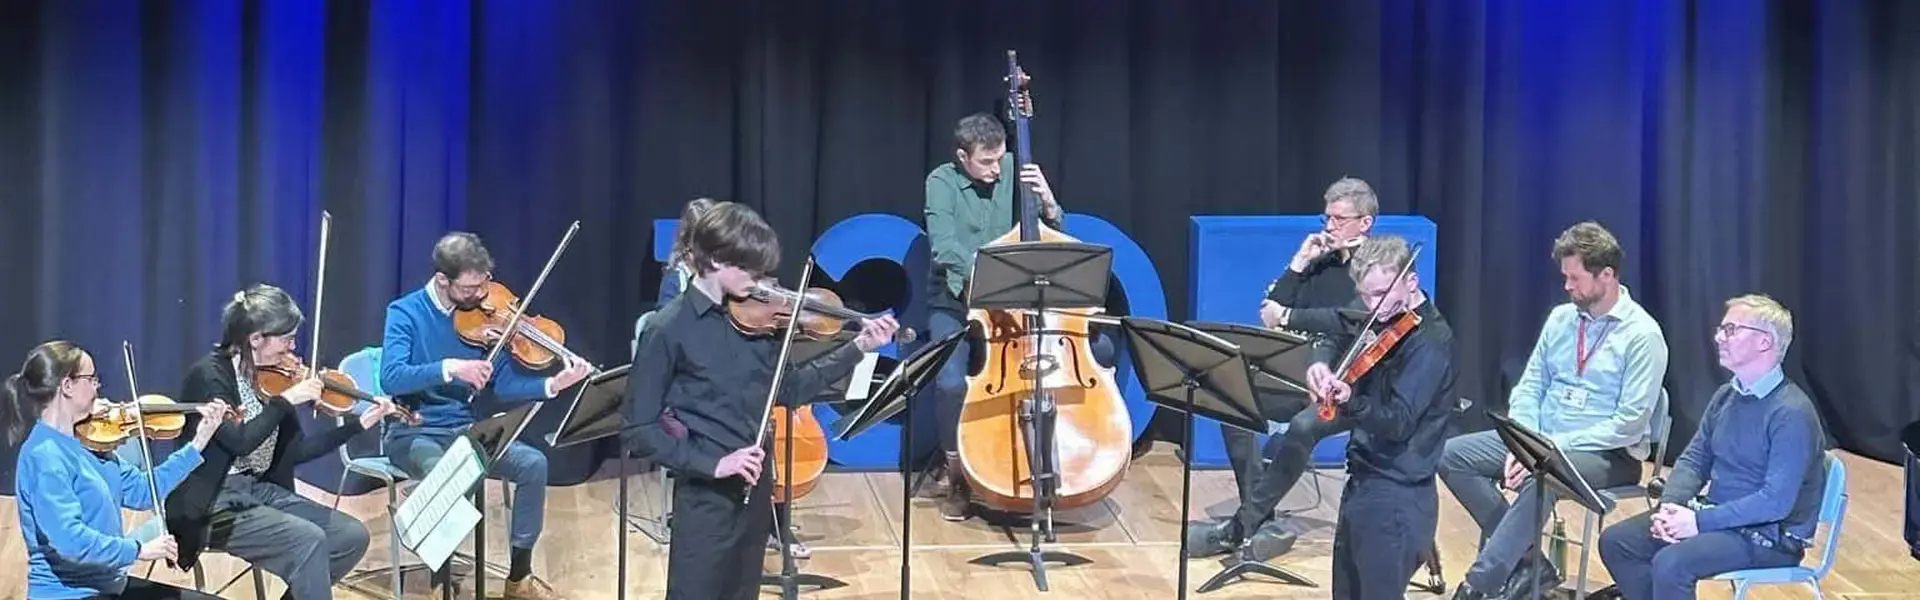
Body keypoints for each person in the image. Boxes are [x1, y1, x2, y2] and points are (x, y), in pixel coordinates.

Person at [621, 200, 899, 599]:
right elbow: (638, 429)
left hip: (756, 485)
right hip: (705, 496)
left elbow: (791, 389)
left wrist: (858, 346)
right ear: (716, 260)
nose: (761, 280)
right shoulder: (668, 329)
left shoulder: (754, 321)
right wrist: (714, 464)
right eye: (750, 268)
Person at [1442, 221, 1669, 599]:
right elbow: (1531, 385)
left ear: (1607, 275)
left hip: (1606, 454)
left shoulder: (1643, 335)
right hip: (1543, 441)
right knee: (1452, 456)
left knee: (1543, 475)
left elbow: (1629, 424)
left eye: (1575, 278)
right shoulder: (1561, 319)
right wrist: (1525, 440)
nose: (1567, 286)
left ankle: (1478, 585)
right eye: (1565, 277)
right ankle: (1530, 561)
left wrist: (1549, 447)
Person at [919, 110, 1121, 521]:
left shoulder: (1015, 167)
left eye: (1000, 159)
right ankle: (957, 472)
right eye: (986, 162)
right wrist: (991, 279)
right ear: (963, 157)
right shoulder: (940, 183)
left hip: (1021, 305)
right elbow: (944, 249)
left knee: (1100, 348)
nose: (997, 169)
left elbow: (1055, 227)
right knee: (950, 381)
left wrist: (1046, 198)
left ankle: (1054, 455)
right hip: (958, 303)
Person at [380, 232, 593, 600]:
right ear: (443, 280)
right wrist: (450, 368)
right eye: (470, 288)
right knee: (444, 474)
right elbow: (391, 376)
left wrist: (552, 384)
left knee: (533, 464)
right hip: (414, 431)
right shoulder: (405, 313)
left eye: (485, 284)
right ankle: (439, 580)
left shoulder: (484, 315)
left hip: (466, 430)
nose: (481, 296)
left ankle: (519, 577)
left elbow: (505, 384)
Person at [1186, 176, 1383, 561]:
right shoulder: (1321, 262)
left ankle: (1242, 525)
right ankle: (1259, 519)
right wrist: (1299, 261)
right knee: (1233, 402)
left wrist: (1292, 315)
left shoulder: (1376, 267)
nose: (1330, 226)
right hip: (1303, 374)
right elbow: (1270, 312)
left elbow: (1348, 318)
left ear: (1365, 222)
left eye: (1339, 219)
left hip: (1349, 385)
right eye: (1327, 217)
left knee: (1303, 426)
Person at [163, 285, 398, 599]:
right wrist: (285, 401)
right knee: (308, 540)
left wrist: (357, 425)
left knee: (350, 536)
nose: (292, 348)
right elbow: (241, 443)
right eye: (286, 338)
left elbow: (296, 452)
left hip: (258, 491)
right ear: (255, 338)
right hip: (211, 503)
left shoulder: (271, 379)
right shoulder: (209, 377)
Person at [1595, 294, 1826, 600]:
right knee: (1618, 541)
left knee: (1673, 563)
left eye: (1731, 330)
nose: (1719, 337)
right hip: (1720, 517)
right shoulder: (1725, 397)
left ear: (1764, 342)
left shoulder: (1791, 412)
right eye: (1721, 329)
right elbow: (1694, 459)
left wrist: (1698, 523)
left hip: (1768, 535)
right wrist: (1671, 506)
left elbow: (1774, 502)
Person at [8, 340, 228, 599]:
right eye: (92, 379)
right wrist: (139, 550)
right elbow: (70, 541)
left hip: (110, 587)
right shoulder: (44, 455)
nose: (98, 388)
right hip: (69, 594)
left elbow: (143, 492)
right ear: (67, 386)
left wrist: (198, 443)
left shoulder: (91, 443)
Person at [1303, 235, 1457, 600]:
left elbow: (1399, 422)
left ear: (1411, 281)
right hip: (1363, 481)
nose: (1373, 305)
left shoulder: (1430, 344)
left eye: (1381, 294)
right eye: (1366, 294)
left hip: (1398, 498)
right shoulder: (1379, 310)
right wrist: (1320, 363)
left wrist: (1351, 401)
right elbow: (1335, 330)